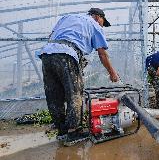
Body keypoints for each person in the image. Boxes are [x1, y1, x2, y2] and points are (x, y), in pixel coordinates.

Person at [39, 8, 119, 146]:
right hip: (67, 55)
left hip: (47, 54)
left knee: (54, 96)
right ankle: (73, 132)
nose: (102, 25)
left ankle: (62, 131)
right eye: (102, 22)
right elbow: (102, 54)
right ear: (97, 17)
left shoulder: (67, 17)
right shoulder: (94, 24)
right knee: (75, 94)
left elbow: (52, 35)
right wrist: (112, 73)